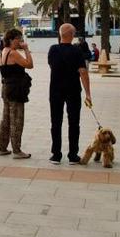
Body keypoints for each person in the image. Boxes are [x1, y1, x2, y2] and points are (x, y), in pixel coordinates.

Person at [47, 23, 93, 165]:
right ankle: (73, 155)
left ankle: (56, 155)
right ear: (72, 36)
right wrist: (88, 94)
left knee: (56, 122)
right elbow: (83, 72)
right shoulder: (77, 51)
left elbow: (51, 65)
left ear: (60, 34)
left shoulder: (53, 50)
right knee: (74, 123)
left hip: (55, 90)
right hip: (73, 90)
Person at [0, 28, 33, 159]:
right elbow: (30, 65)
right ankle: (17, 150)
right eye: (19, 39)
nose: (21, 41)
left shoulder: (4, 51)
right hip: (16, 90)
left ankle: (2, 148)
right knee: (17, 120)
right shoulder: (13, 53)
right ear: (12, 40)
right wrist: (26, 50)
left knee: (6, 119)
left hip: (6, 87)